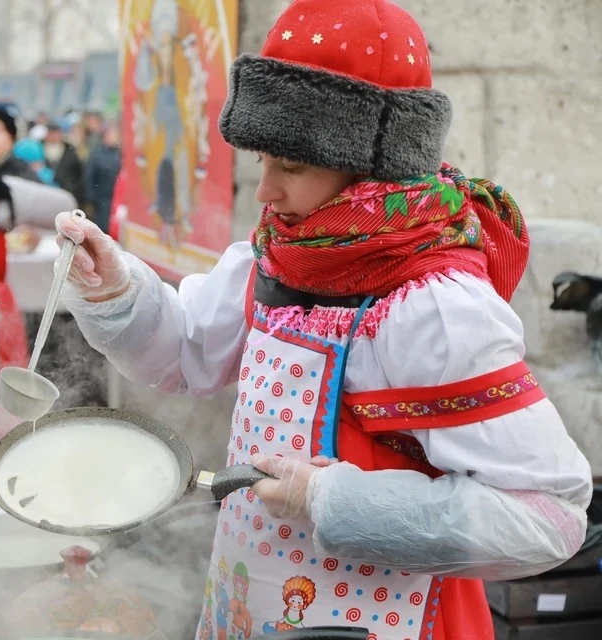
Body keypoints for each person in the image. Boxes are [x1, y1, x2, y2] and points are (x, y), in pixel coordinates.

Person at [52, 1, 593, 638]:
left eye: (293, 166)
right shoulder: (279, 254)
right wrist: (117, 289)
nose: (265, 192)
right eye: (262, 161)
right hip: (252, 605)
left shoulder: (432, 308)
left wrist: (329, 501)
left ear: (370, 165)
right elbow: (186, 353)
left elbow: (547, 516)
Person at [84, 122, 121, 233]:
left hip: (117, 198)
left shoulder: (120, 153)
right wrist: (91, 198)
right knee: (104, 227)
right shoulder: (97, 155)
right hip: (103, 198)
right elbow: (90, 177)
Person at [43, 119, 86, 208]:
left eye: (56, 133)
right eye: (51, 133)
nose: (54, 136)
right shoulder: (39, 150)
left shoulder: (69, 151)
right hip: (45, 195)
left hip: (65, 195)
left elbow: (78, 174)